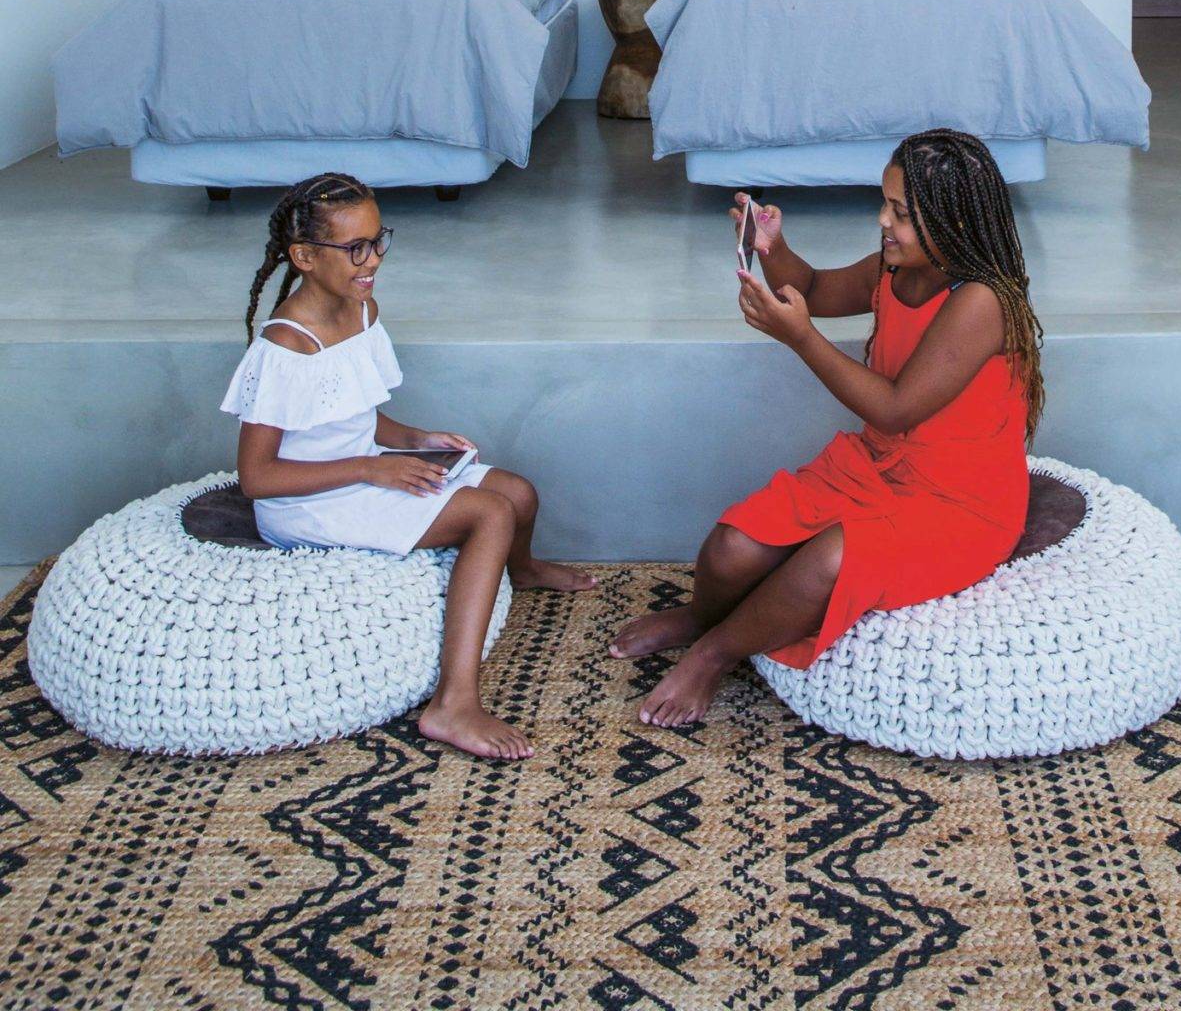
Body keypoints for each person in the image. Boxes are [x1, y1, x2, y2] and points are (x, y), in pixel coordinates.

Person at [612, 127, 1042, 728]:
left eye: (901, 212)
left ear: (955, 224)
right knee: (732, 546)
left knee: (827, 562)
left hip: (959, 502)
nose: (883, 221)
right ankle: (701, 616)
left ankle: (714, 653)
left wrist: (800, 338)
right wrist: (772, 246)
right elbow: (813, 287)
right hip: (881, 465)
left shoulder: (980, 302)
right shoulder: (893, 268)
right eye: (884, 203)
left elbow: (894, 408)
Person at [222, 170, 594, 761]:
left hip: (359, 466)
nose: (372, 261)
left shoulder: (360, 308)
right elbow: (258, 479)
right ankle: (453, 703)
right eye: (354, 249)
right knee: (490, 515)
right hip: (307, 502)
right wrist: (373, 470)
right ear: (305, 257)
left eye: (378, 241)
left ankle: (516, 571)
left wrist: (413, 439)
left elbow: (358, 416)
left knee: (518, 493)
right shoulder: (286, 346)